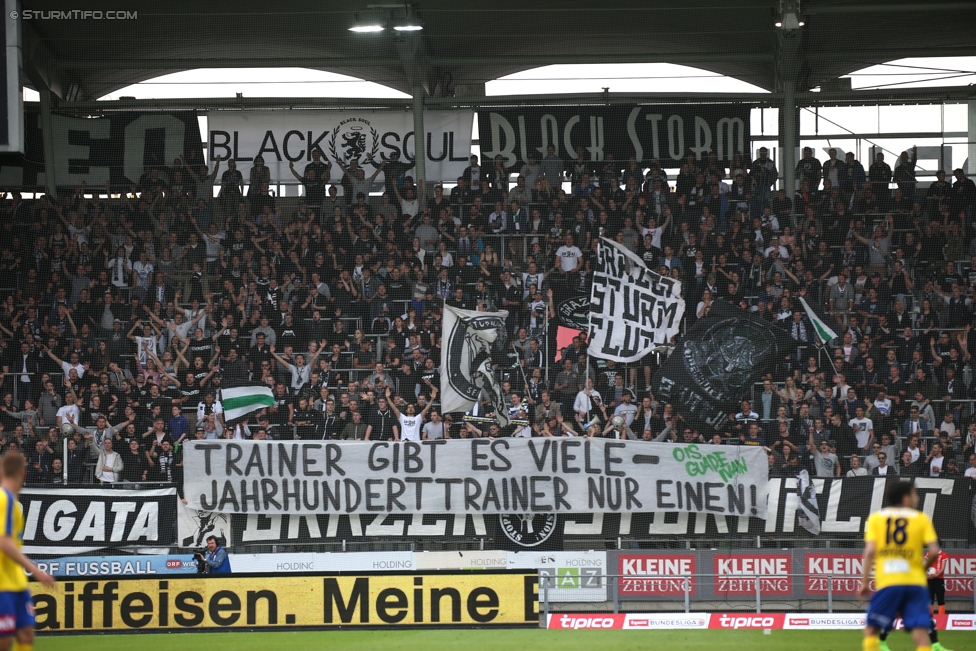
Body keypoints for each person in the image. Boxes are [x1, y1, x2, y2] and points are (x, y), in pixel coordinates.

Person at [861, 482, 942, 651]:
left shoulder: (876, 518)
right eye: (915, 494)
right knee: (920, 635)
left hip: (889, 583)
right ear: (906, 499)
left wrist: (864, 582)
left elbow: (869, 552)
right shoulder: (921, 518)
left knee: (871, 630)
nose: (917, 498)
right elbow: (934, 551)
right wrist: (922, 568)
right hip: (916, 584)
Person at [0, 451, 56, 651]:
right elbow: (4, 543)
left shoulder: (13, 504)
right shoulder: (3, 499)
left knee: (26, 634)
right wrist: (36, 570)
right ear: (23, 474)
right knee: (4, 642)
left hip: (16, 582)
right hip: (2, 583)